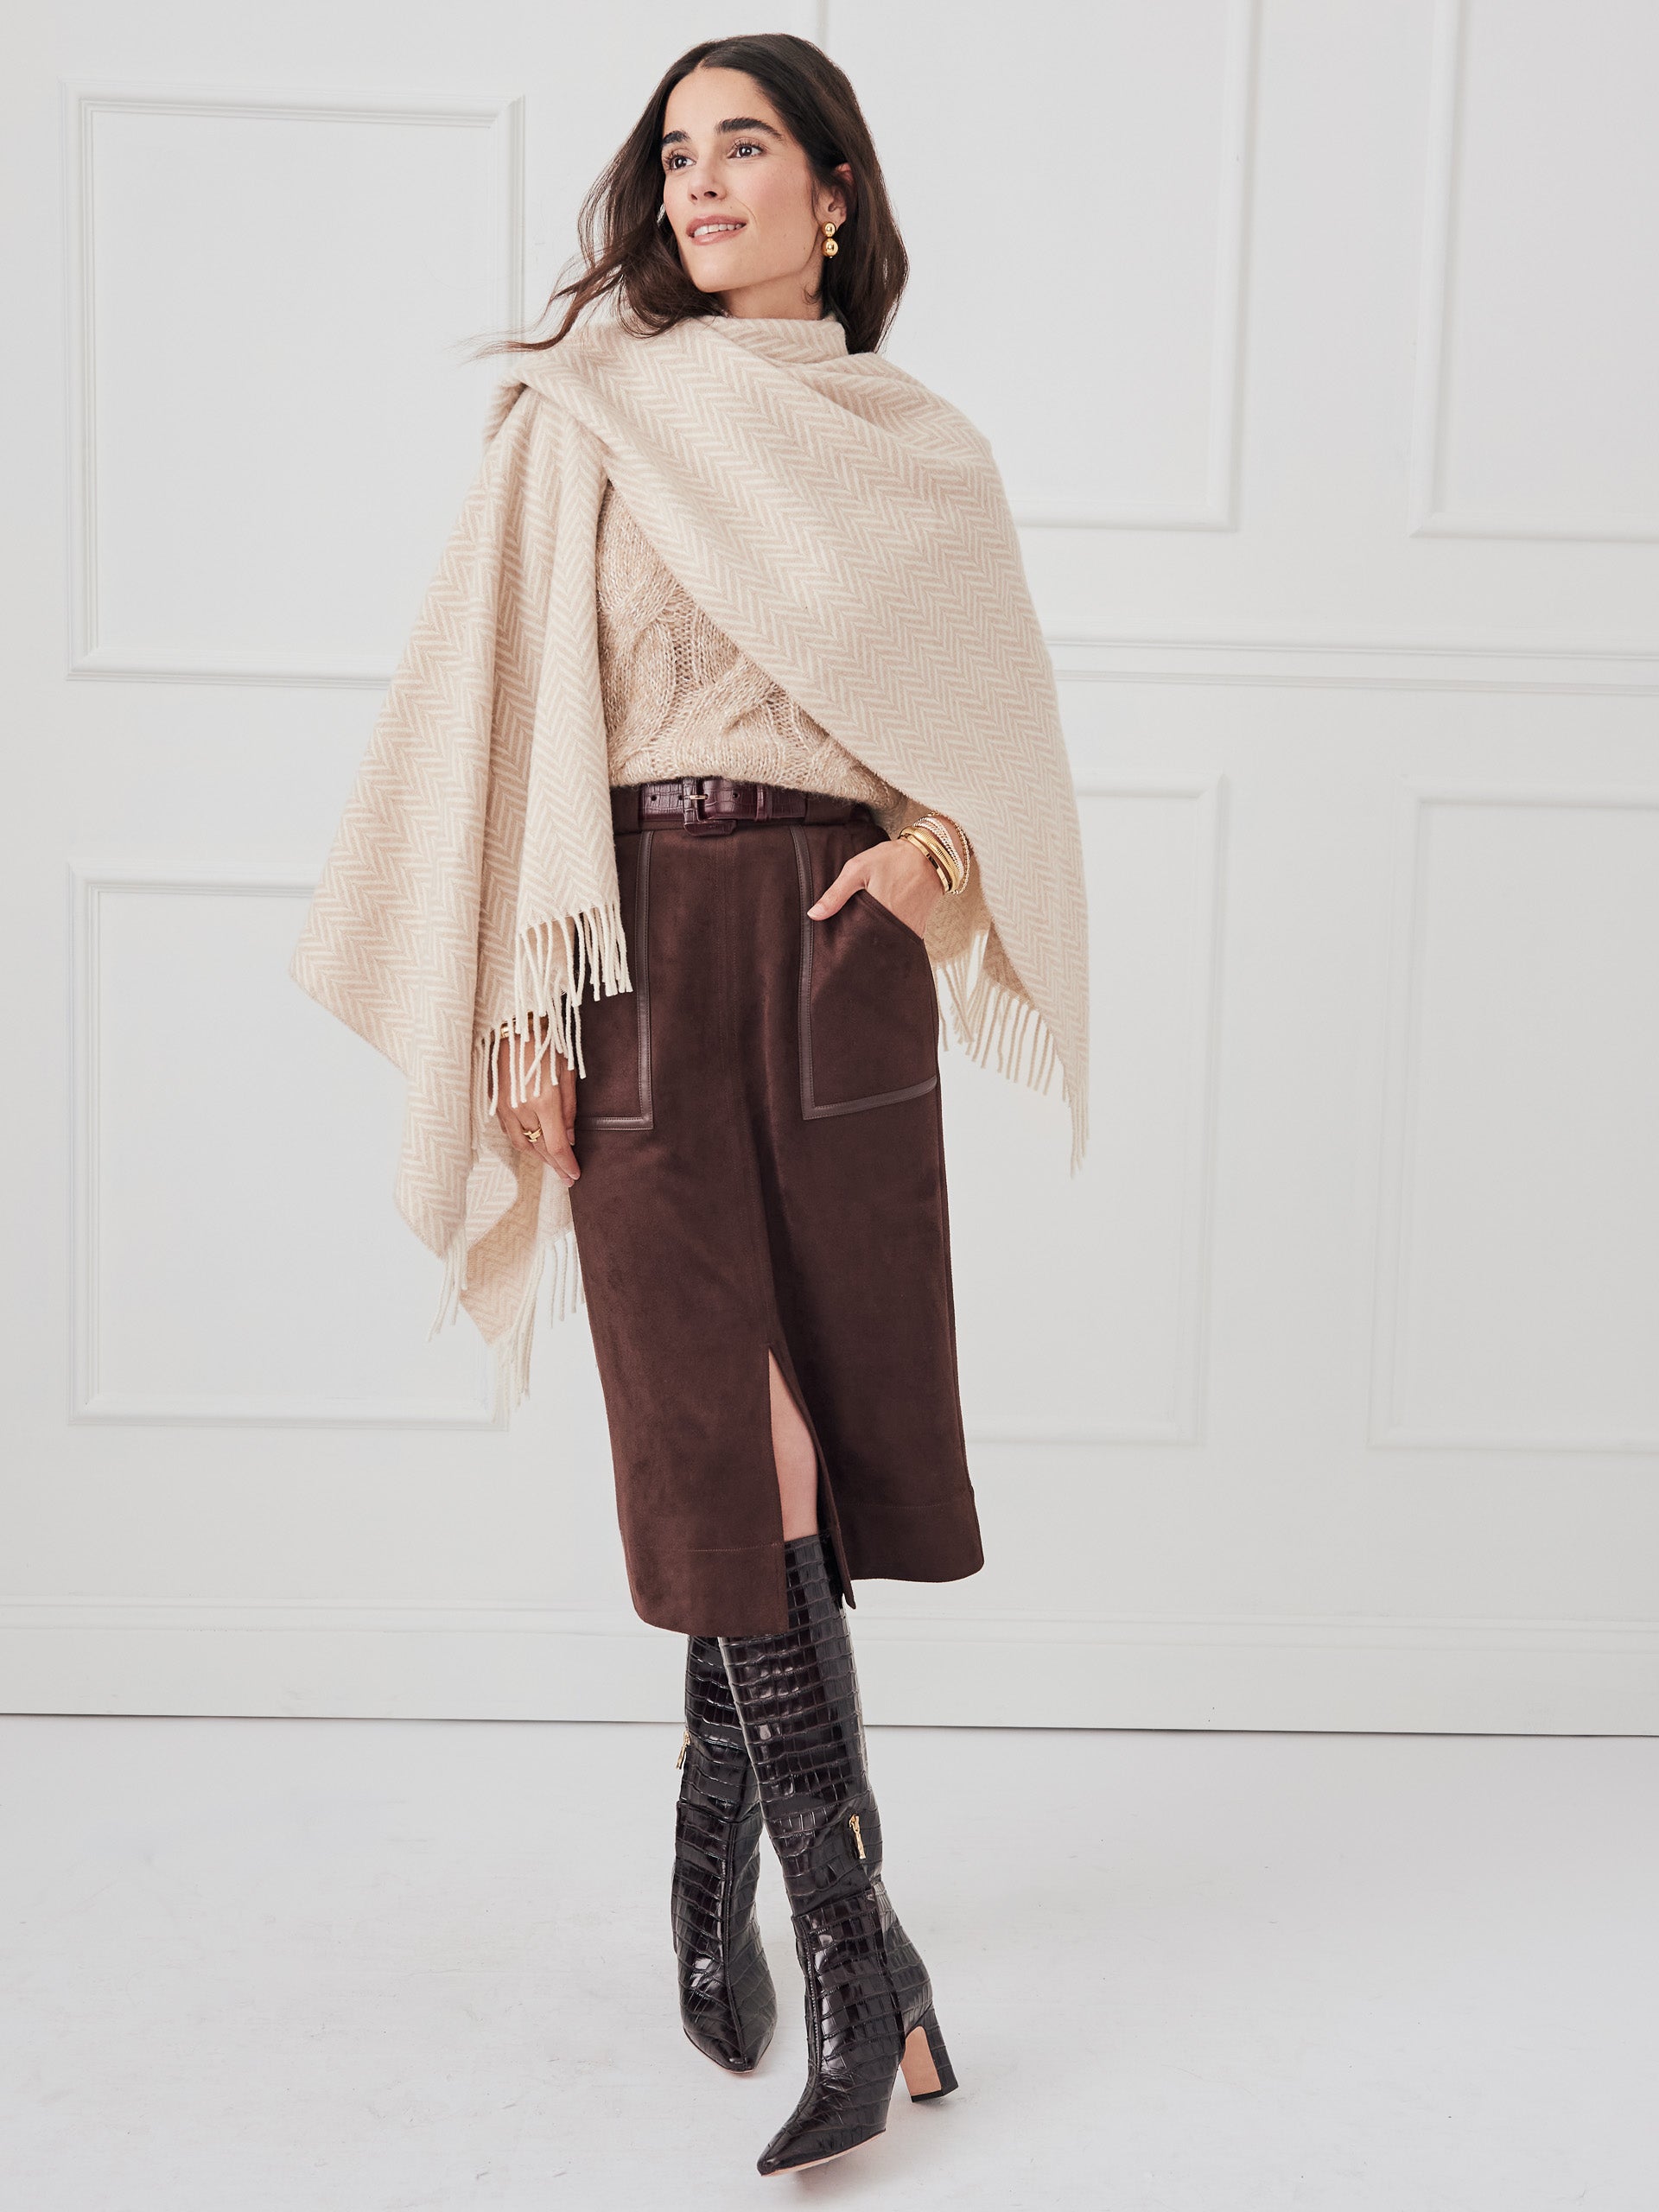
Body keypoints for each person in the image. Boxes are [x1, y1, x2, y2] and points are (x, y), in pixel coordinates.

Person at [291, 31, 1089, 2180]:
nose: (703, 180)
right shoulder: (592, 411)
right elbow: (517, 708)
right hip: (626, 930)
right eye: (675, 154)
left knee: (798, 1417)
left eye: (747, 146)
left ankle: (710, 1835)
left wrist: (927, 865)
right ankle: (862, 1951)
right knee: (731, 1427)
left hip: (832, 949)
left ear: (836, 193)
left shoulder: (919, 452)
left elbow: (994, 754)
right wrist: (526, 995)